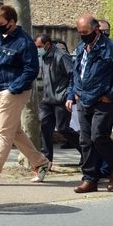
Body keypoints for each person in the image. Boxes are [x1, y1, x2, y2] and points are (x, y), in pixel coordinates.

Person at [0, 6, 50, 187]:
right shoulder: (0, 37)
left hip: (14, 91)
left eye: (1, 23)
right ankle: (40, 162)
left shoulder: (24, 42)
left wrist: (12, 89)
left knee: (4, 134)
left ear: (12, 22)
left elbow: (31, 70)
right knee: (14, 132)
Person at [65, 14, 113, 193]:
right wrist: (72, 94)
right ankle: (90, 178)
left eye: (85, 32)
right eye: (79, 32)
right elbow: (75, 73)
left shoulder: (111, 48)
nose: (82, 35)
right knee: (85, 140)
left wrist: (112, 96)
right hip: (83, 99)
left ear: (96, 30)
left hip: (103, 100)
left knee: (99, 137)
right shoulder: (81, 47)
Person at [35, 33, 80, 165]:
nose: (37, 49)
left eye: (39, 46)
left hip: (61, 98)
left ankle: (86, 150)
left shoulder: (61, 56)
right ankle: (47, 160)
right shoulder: (43, 57)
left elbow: (73, 76)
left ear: (47, 45)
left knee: (62, 128)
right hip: (48, 99)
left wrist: (69, 95)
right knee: (45, 127)